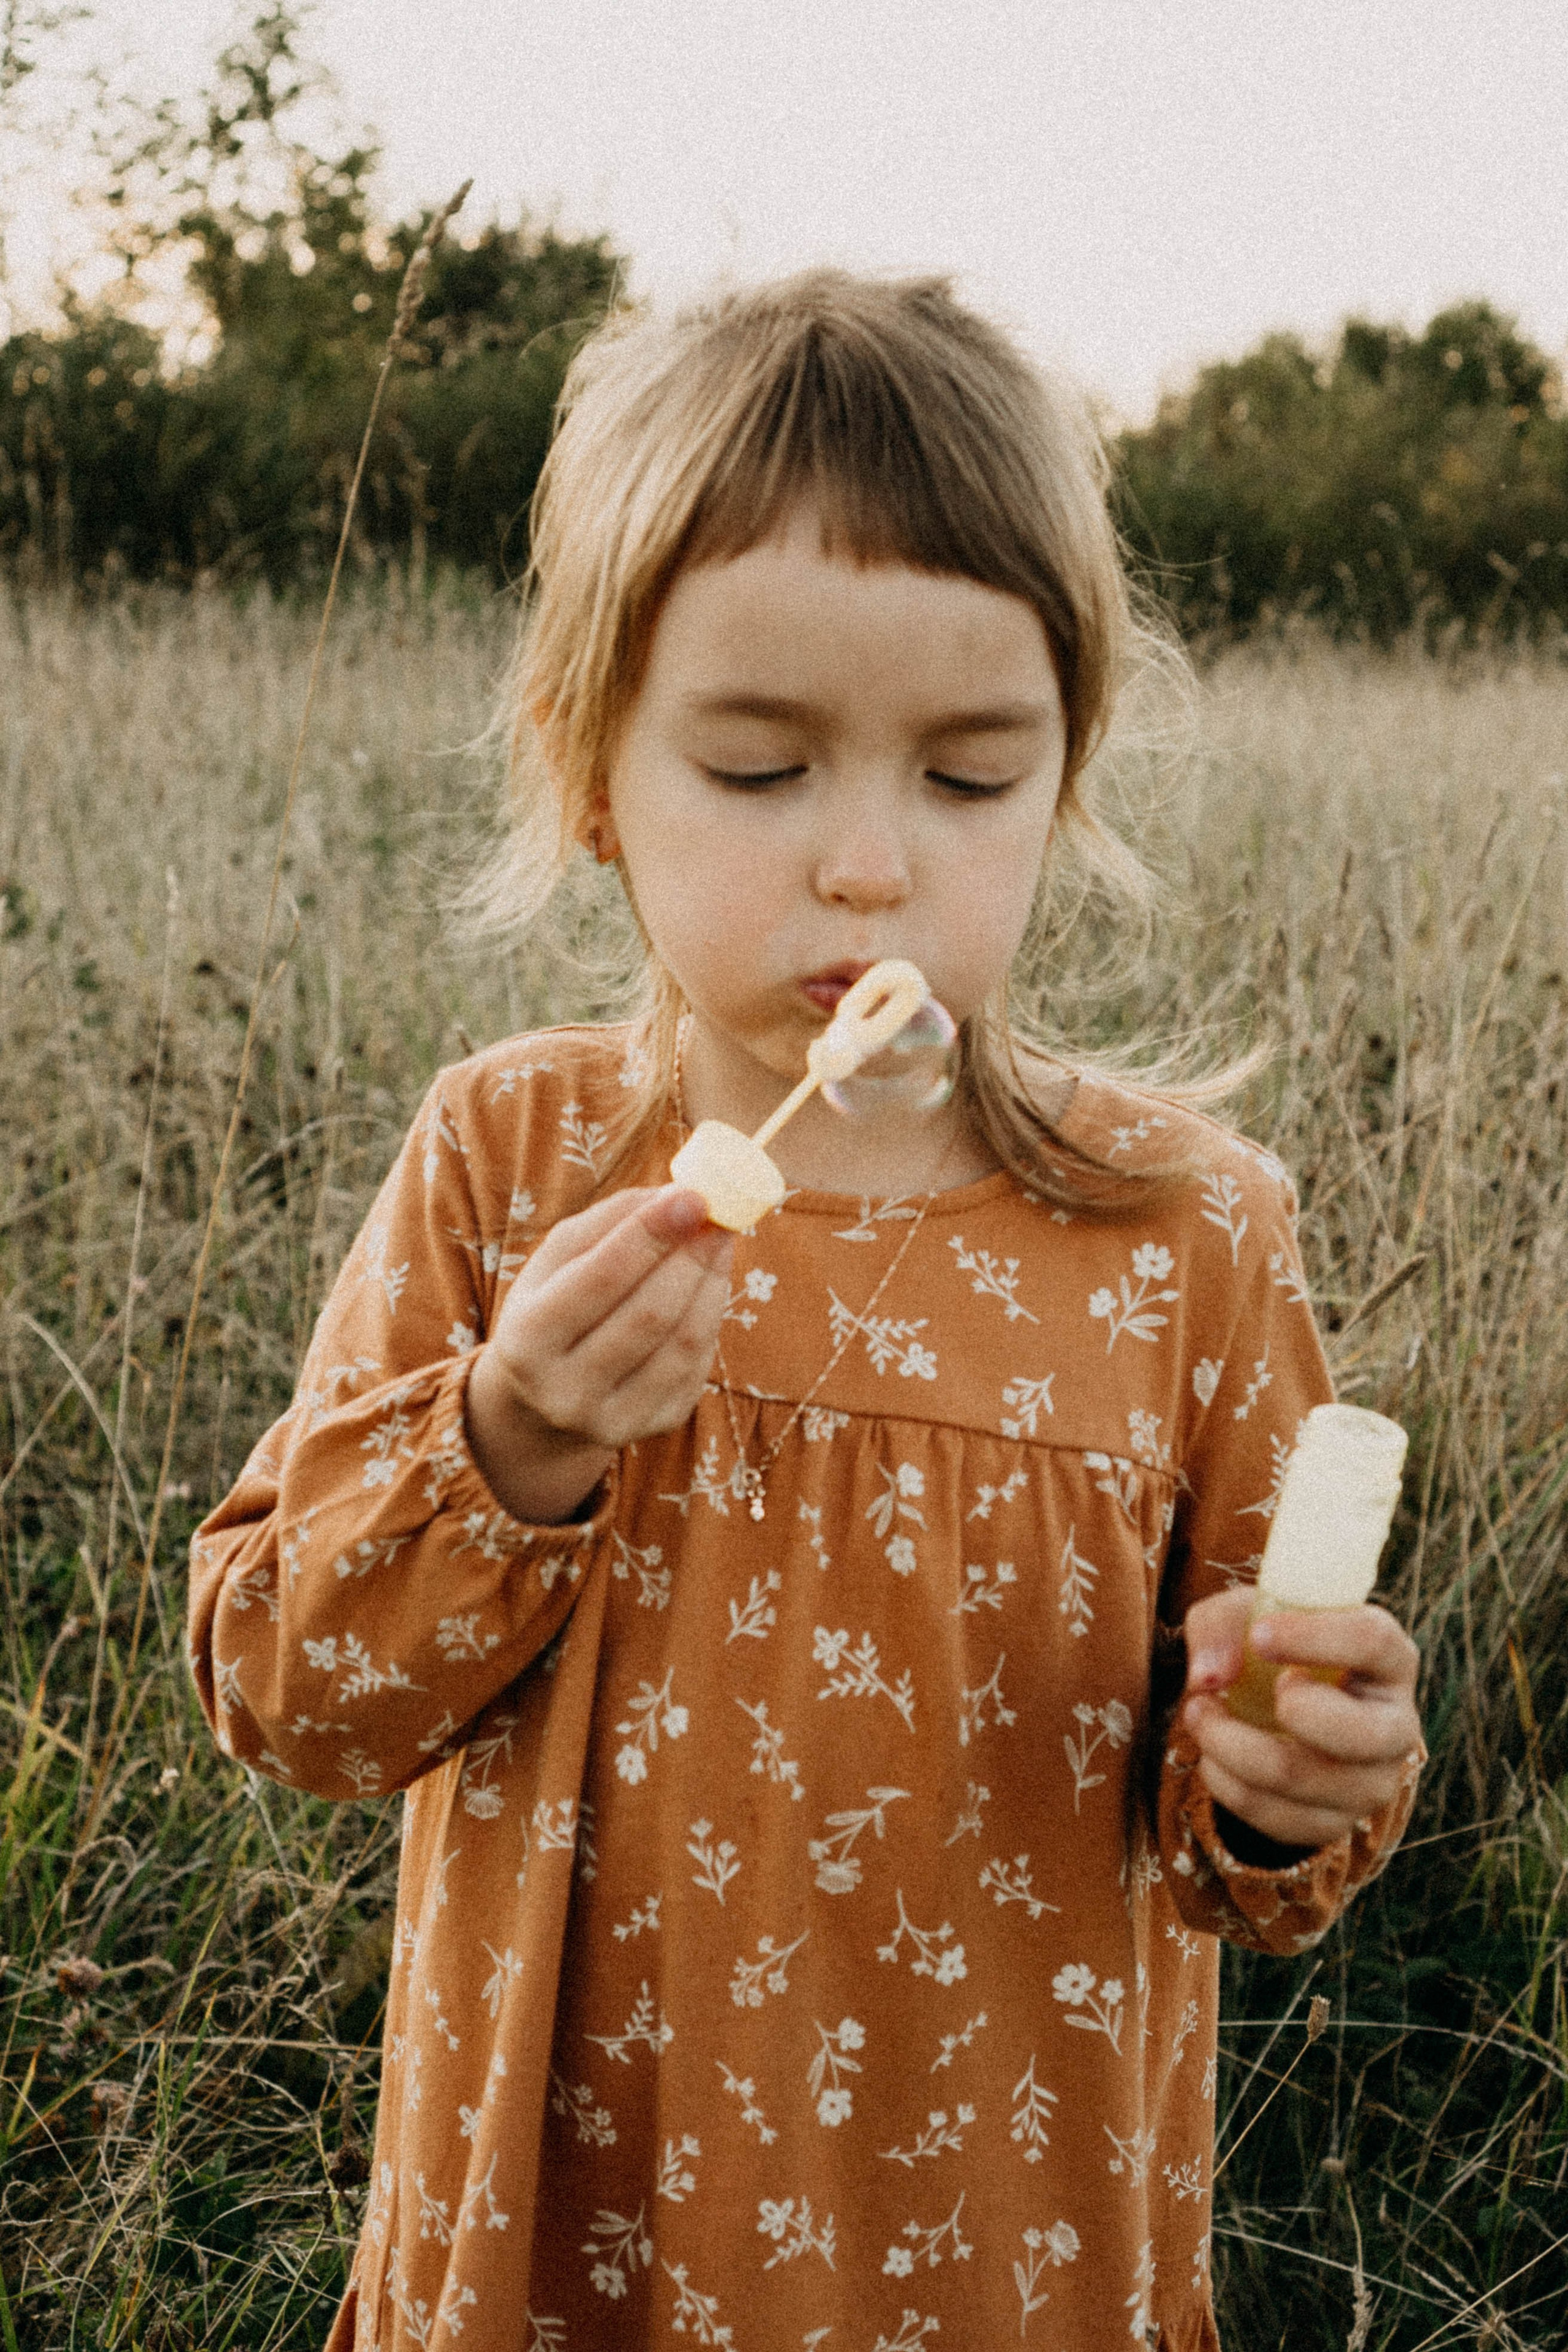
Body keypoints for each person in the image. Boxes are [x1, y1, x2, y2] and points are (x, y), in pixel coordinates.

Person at [188, 269, 1424, 2352]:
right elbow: (288, 1696)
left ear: (1065, 783)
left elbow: (1258, 1849)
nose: (870, 870)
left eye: (968, 778)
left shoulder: (1188, 1236)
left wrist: (1299, 1773)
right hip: (569, 2242)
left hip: (1002, 2246)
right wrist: (510, 1442)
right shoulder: (515, 1164)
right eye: (759, 770)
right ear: (595, 780)